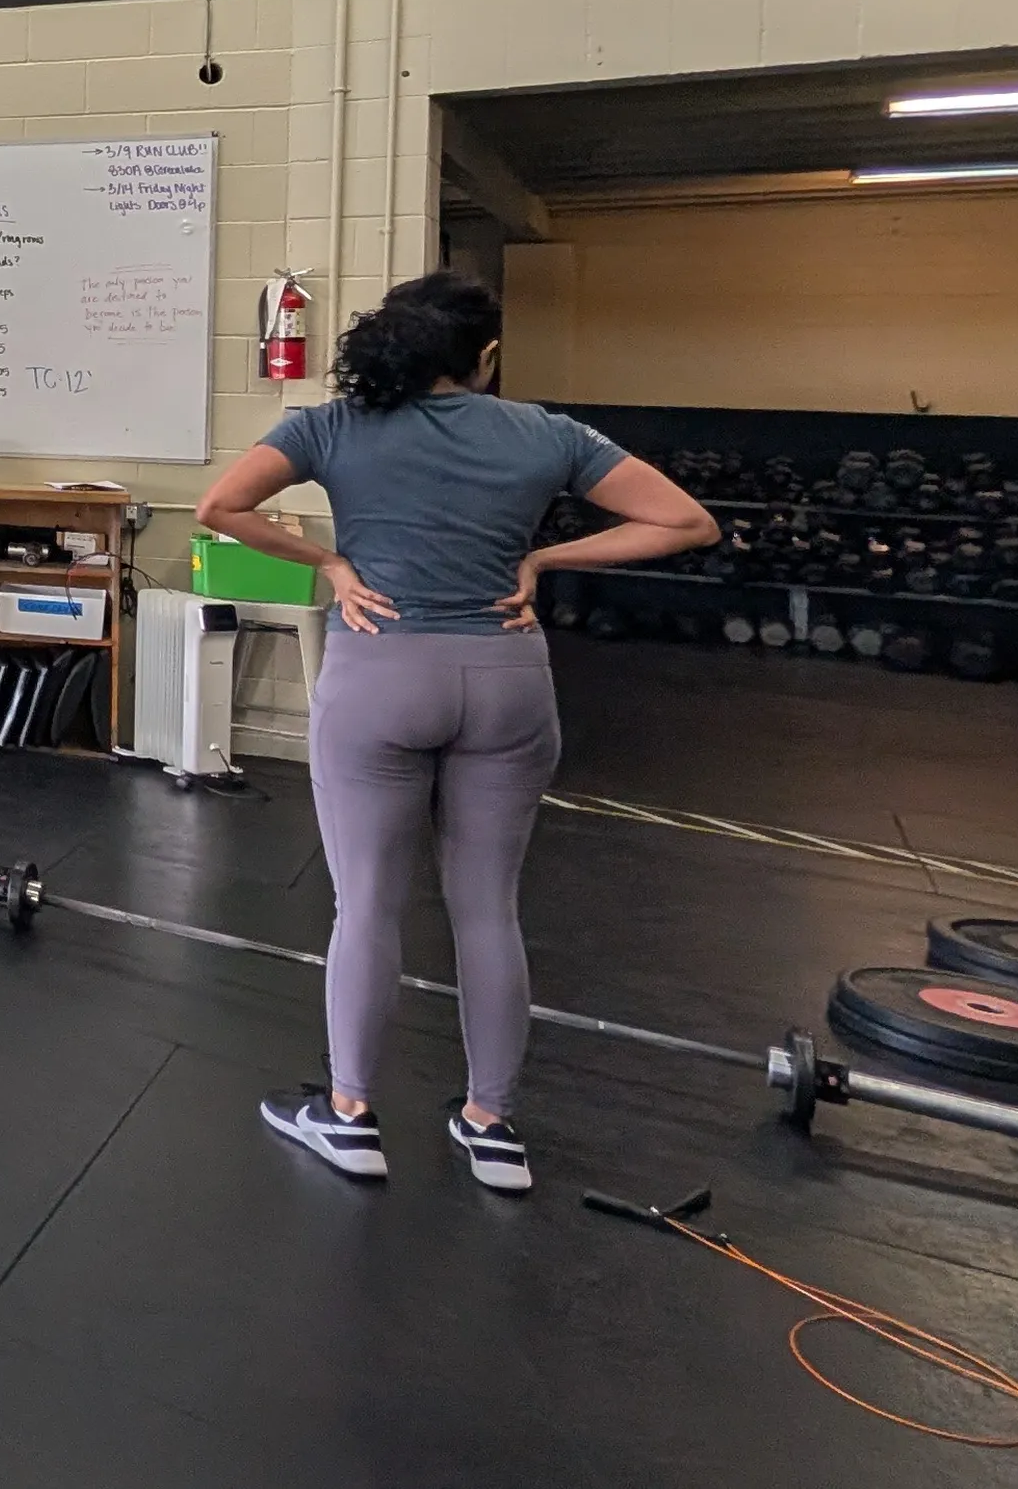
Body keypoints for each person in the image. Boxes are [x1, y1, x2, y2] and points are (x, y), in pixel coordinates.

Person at [194, 272, 715, 1194]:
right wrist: (545, 555)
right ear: (484, 357)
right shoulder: (545, 433)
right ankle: (491, 1127)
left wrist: (331, 563)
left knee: (368, 906)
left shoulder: (334, 425)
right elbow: (684, 522)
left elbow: (219, 509)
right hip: (507, 682)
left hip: (382, 672)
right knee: (488, 910)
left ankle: (350, 1115)